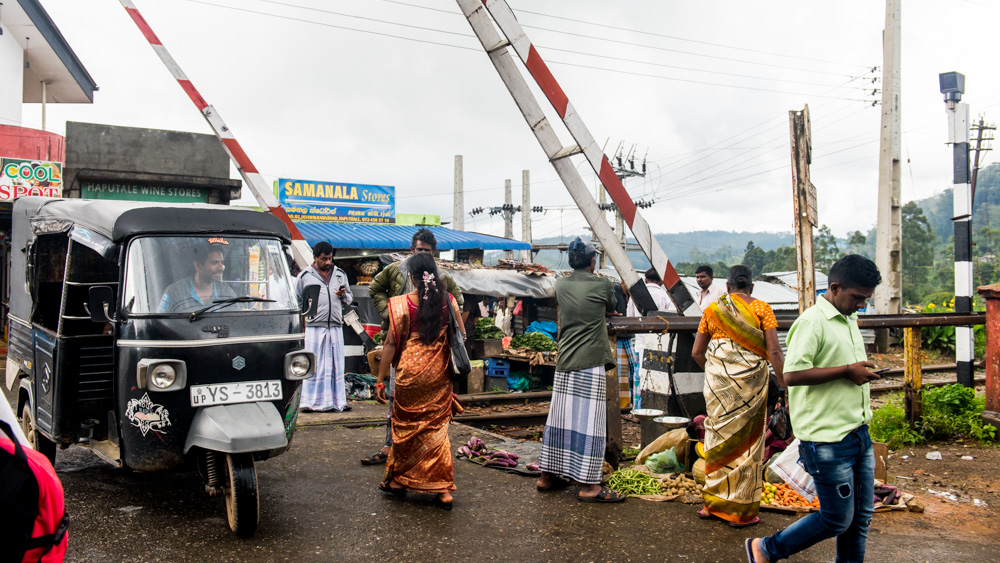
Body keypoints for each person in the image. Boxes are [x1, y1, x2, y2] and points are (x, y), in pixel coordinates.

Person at [747, 254, 882, 563]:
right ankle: (767, 549)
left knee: (859, 518)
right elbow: (791, 376)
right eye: (857, 297)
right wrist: (848, 370)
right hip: (827, 440)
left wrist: (856, 370)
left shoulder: (848, 317)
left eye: (866, 299)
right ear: (834, 288)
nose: (861, 304)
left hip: (857, 432)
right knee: (836, 519)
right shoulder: (812, 322)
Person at [691, 265, 785, 528]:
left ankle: (712, 505)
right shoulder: (762, 308)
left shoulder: (712, 310)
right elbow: (775, 352)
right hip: (752, 388)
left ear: (728, 287)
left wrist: (719, 375)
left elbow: (697, 353)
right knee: (748, 446)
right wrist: (786, 386)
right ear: (751, 287)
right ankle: (739, 512)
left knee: (717, 439)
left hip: (718, 388)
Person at [535, 237, 626, 503]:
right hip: (590, 361)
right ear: (591, 260)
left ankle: (547, 477)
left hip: (565, 361)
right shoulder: (603, 284)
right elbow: (611, 306)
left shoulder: (560, 283)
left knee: (560, 419)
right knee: (589, 423)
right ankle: (588, 486)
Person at [362, 229, 463, 465]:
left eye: (427, 251)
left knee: (425, 408)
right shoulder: (395, 270)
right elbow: (375, 288)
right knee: (397, 402)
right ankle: (392, 447)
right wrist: (387, 313)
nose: (423, 254)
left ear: (434, 252)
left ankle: (419, 454)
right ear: (411, 250)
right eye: (420, 250)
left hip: (431, 352)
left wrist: (448, 333)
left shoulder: (442, 277)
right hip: (401, 345)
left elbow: (458, 300)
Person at [374, 252, 464, 509]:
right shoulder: (448, 301)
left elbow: (390, 343)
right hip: (438, 374)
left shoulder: (400, 304)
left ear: (413, 278)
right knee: (436, 430)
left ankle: (399, 482)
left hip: (408, 376)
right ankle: (443, 490)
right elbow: (460, 335)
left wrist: (380, 380)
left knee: (405, 429)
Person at [296, 241, 354, 413]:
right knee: (316, 365)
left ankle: (337, 403)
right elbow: (297, 299)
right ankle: (310, 403)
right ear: (315, 258)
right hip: (314, 327)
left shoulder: (340, 274)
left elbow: (349, 298)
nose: (327, 262)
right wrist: (306, 313)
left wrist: (343, 296)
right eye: (323, 259)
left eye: (329, 259)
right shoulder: (305, 276)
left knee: (335, 366)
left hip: (335, 326)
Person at [157, 240, 236, 313]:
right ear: (198, 265)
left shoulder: (226, 291)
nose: (221, 267)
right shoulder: (174, 292)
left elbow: (236, 319)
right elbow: (159, 321)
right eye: (214, 263)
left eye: (222, 262)